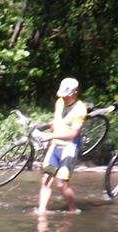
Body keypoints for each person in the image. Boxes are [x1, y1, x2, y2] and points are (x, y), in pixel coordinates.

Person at [37, 77, 87, 214]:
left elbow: (73, 134)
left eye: (66, 95)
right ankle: (41, 212)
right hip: (55, 145)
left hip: (69, 148)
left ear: (74, 94)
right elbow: (56, 121)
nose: (64, 98)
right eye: (62, 95)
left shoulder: (80, 109)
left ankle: (73, 210)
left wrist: (50, 136)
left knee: (61, 184)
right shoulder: (59, 102)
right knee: (46, 179)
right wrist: (47, 136)